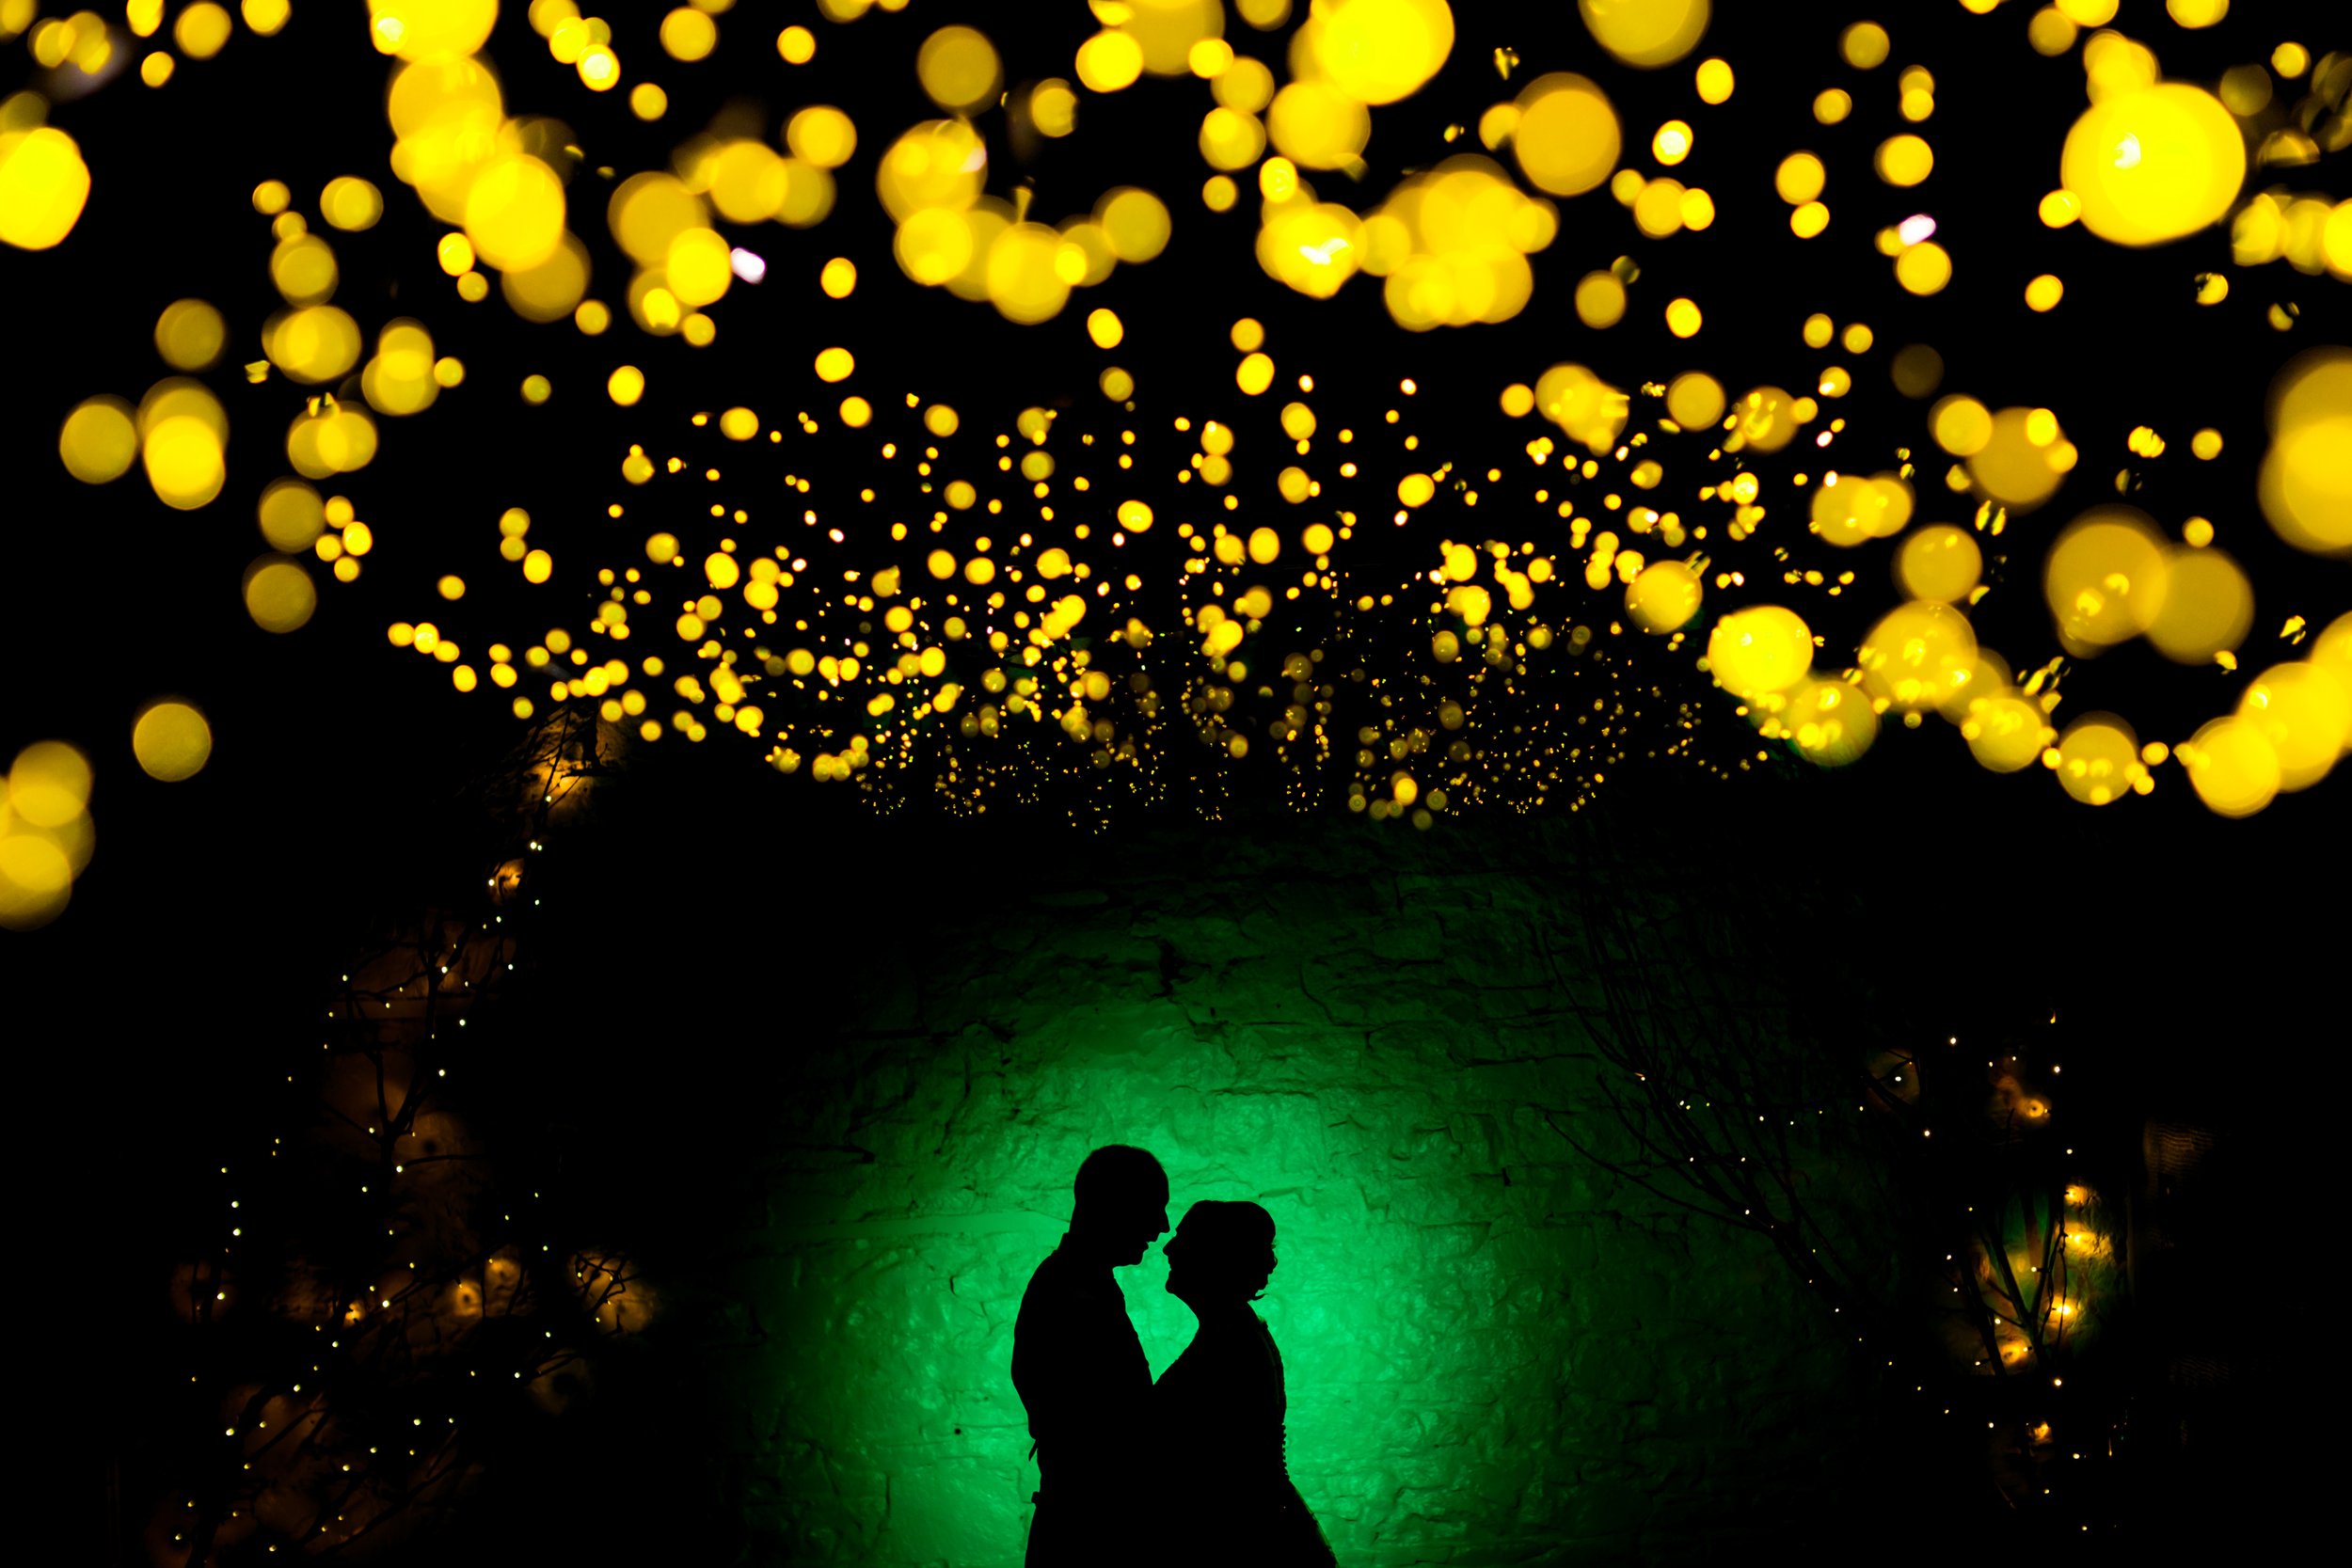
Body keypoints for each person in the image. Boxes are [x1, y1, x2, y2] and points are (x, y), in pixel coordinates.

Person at [1154, 1200, 1338, 1566]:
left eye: (1185, 1239)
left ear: (1217, 1257)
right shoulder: (1234, 1331)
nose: (1168, 1247)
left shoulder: (1230, 1343)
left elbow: (1221, 1472)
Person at [1011, 1145, 1169, 1567]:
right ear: (1113, 1204)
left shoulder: (1075, 1282)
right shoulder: (1072, 1296)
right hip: (1091, 1535)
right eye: (1154, 1208)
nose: (1163, 1226)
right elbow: (1109, 1431)